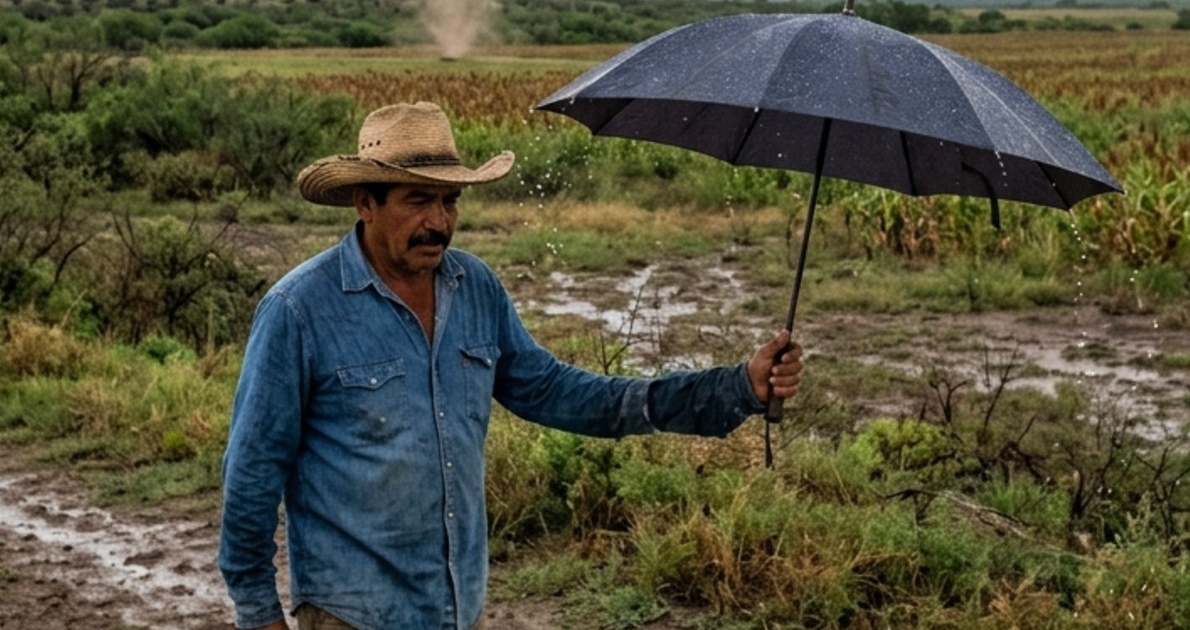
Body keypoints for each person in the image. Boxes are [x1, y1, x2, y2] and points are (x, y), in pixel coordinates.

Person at [218, 102, 804, 630]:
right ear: (365, 202)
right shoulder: (299, 311)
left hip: (458, 607)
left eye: (450, 201)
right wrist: (258, 614)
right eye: (418, 200)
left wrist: (733, 387)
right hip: (354, 614)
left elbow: (562, 393)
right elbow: (251, 472)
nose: (439, 222)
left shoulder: (475, 289)